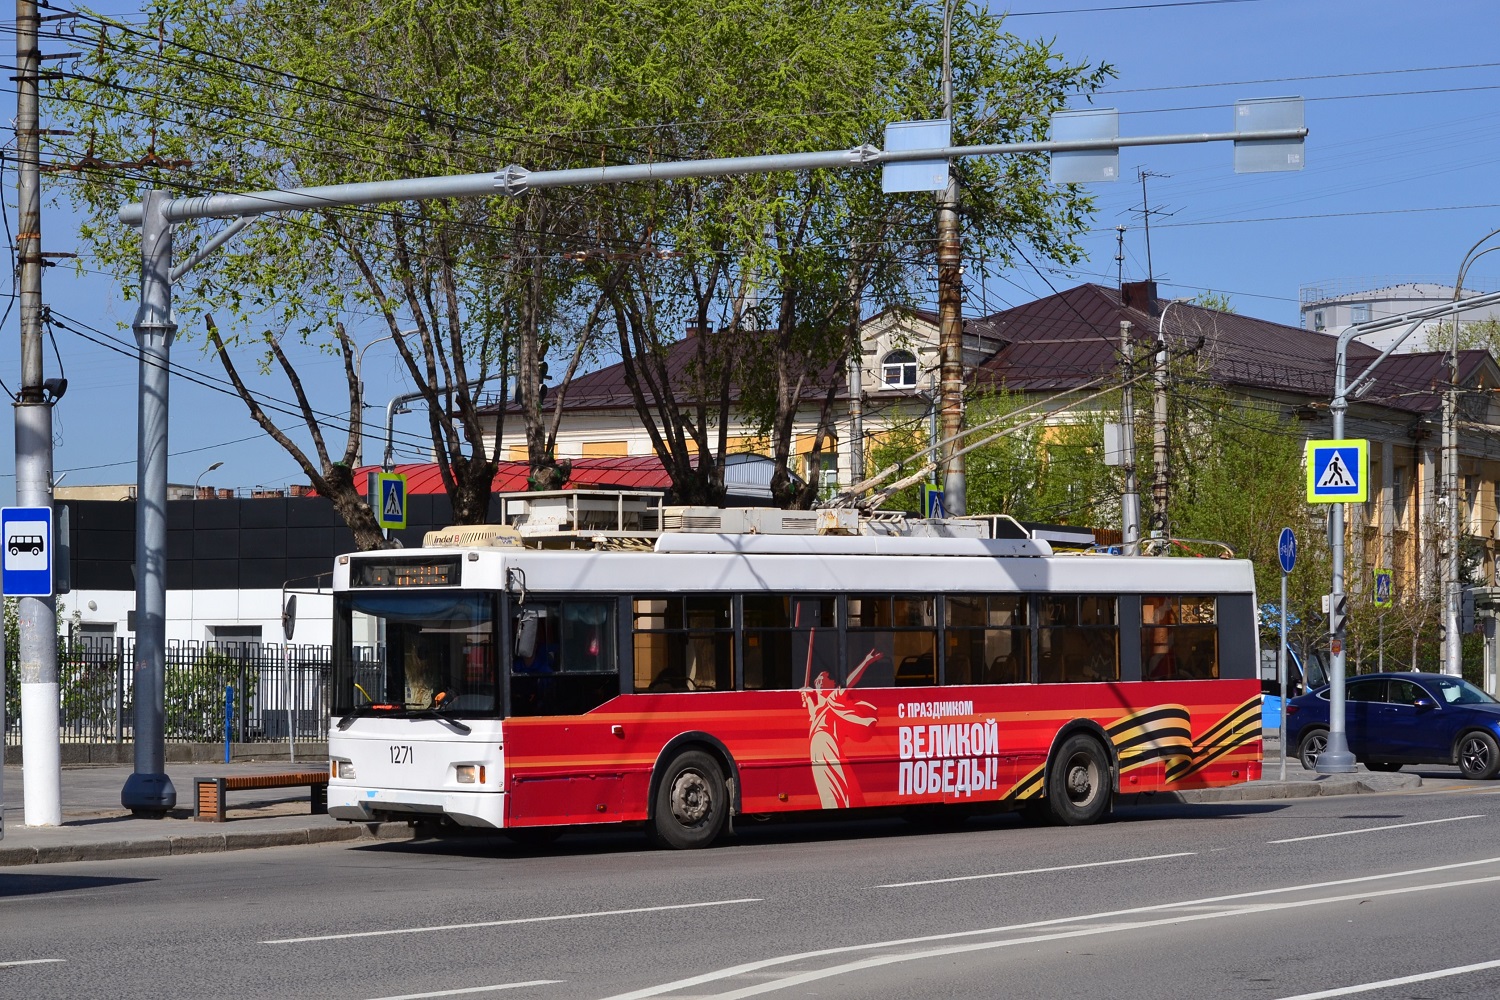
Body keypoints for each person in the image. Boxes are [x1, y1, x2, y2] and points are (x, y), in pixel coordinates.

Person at [801, 649, 879, 809]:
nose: (819, 680)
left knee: (837, 787)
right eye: (818, 678)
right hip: (817, 749)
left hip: (826, 745)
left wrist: (866, 661)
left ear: (833, 684)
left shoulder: (834, 698)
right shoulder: (817, 708)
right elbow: (812, 712)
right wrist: (807, 696)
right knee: (827, 789)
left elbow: (849, 681)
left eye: (824, 677)